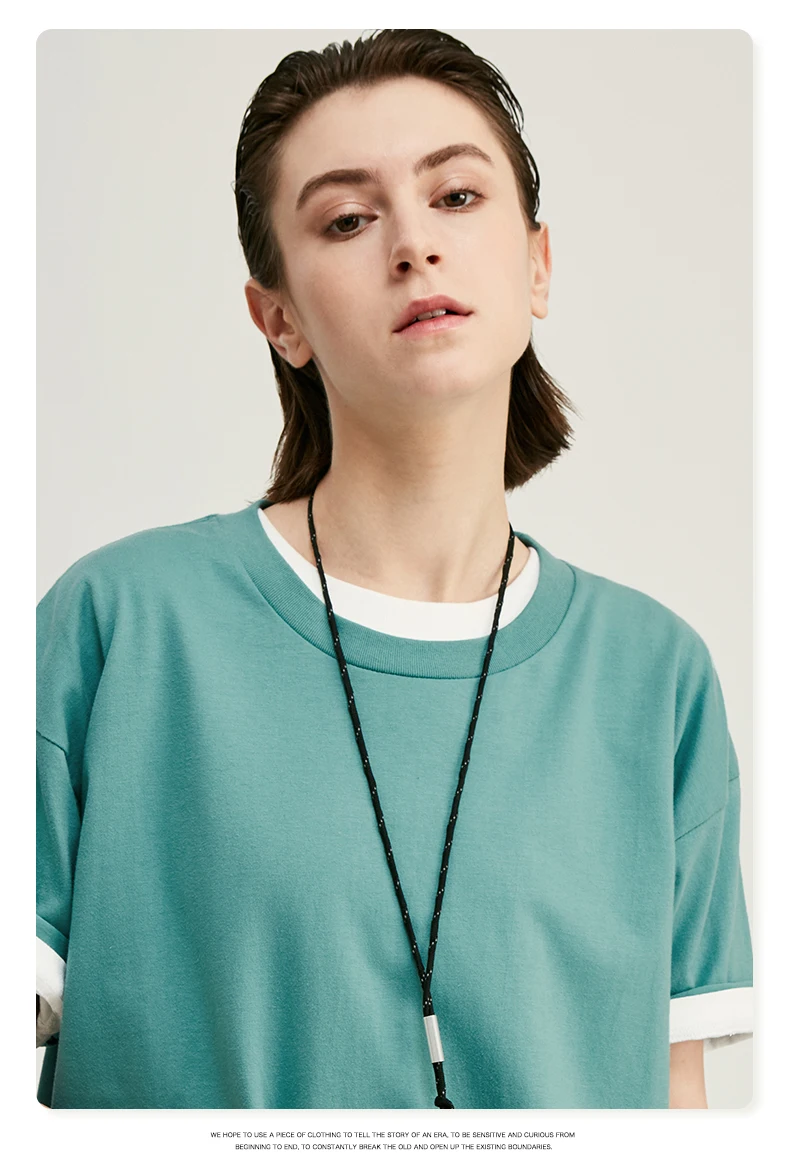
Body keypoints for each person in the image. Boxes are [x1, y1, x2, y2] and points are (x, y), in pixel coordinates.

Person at [36, 28, 753, 1110]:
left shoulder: (656, 678)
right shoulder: (118, 628)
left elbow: (671, 1110)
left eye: (456, 197)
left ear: (539, 264)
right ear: (278, 318)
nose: (414, 244)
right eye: (347, 219)